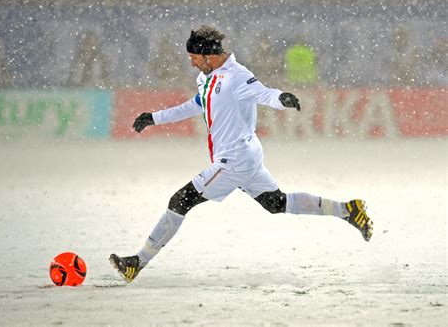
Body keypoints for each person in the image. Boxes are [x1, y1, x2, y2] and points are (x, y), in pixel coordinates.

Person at [110, 25, 373, 282]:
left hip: (233, 160)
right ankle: (348, 210)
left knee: (180, 201)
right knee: (276, 203)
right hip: (246, 156)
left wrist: (283, 99)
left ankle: (137, 262)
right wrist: (155, 118)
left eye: (193, 58)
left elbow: (264, 93)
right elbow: (197, 104)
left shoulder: (237, 76)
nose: (191, 64)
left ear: (208, 56)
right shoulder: (206, 77)